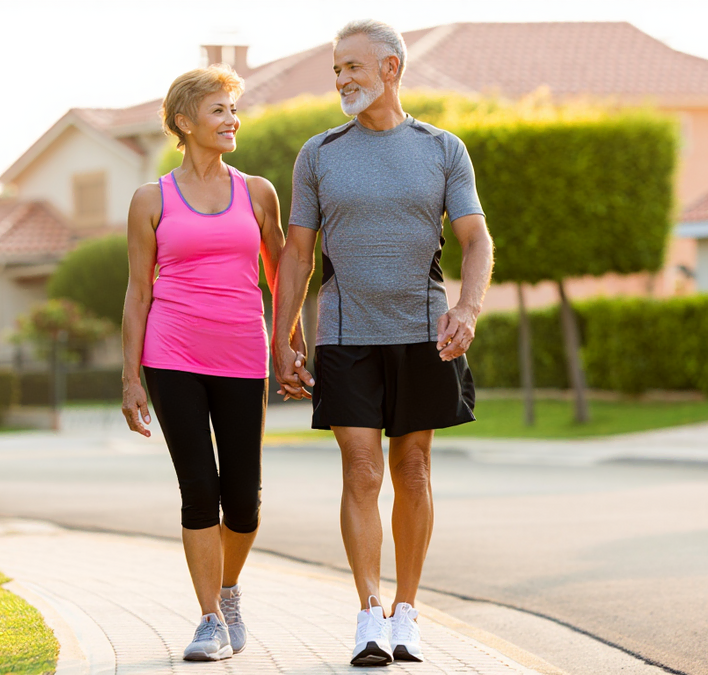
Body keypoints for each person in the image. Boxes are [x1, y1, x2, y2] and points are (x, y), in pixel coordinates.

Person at [271, 19, 494, 668]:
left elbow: (475, 238)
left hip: (423, 332)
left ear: (390, 69)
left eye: (352, 67)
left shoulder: (441, 148)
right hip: (345, 335)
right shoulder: (319, 154)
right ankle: (368, 612)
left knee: (414, 468)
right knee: (362, 469)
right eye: (336, 69)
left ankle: (407, 610)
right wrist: (281, 335)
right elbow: (296, 255)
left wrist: (469, 306)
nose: (341, 78)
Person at [121, 64, 303, 662]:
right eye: (219, 110)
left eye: (233, 109)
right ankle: (207, 621)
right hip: (171, 353)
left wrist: (288, 343)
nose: (233, 120)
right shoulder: (151, 199)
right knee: (198, 489)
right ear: (184, 121)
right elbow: (138, 291)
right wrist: (130, 377)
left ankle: (228, 591)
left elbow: (281, 275)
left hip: (242, 354)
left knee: (243, 500)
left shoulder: (257, 191)